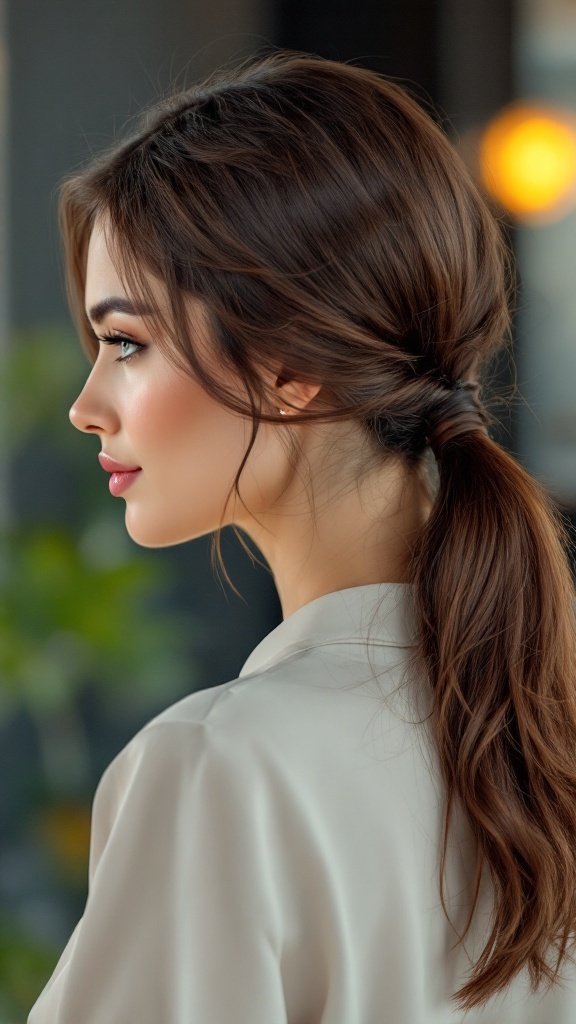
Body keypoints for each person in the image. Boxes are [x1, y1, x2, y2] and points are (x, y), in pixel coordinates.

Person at [29, 51, 576, 1023]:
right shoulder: (540, 738)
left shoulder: (218, 771)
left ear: (289, 364)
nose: (85, 406)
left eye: (126, 343)